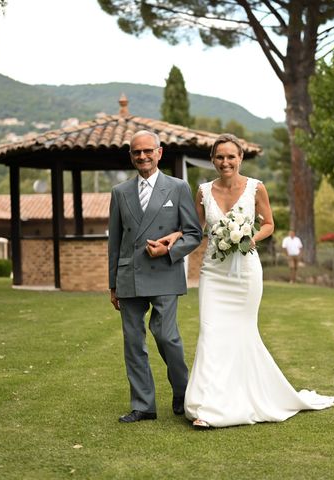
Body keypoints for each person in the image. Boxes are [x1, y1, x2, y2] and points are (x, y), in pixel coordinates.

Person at [164, 133, 334, 428]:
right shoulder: (203, 192)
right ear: (212, 160)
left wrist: (250, 237)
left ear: (240, 158)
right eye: (219, 157)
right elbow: (194, 229)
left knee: (241, 333)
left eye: (231, 156)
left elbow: (270, 224)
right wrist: (172, 238)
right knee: (210, 333)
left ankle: (240, 398)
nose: (225, 162)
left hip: (245, 272)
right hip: (214, 272)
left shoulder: (256, 188)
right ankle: (208, 406)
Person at [108, 130, 202, 423]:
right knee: (133, 342)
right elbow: (115, 242)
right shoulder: (120, 192)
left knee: (166, 336)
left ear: (159, 153)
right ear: (131, 156)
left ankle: (181, 390)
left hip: (165, 273)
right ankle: (143, 405)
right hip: (129, 277)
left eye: (148, 151)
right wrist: (112, 284)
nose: (142, 156)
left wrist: (168, 251)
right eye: (137, 152)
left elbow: (193, 234)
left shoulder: (177, 188)